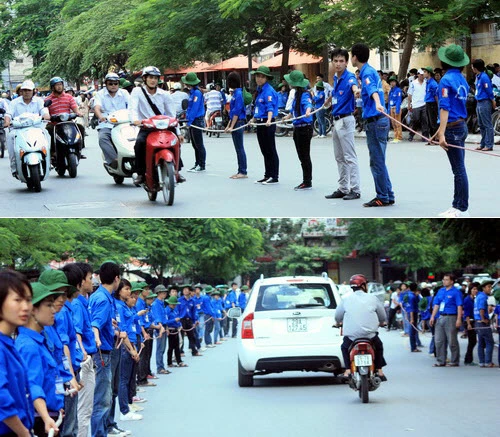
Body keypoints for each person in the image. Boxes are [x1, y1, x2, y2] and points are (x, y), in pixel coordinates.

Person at [16, 282, 65, 437]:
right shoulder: (28, 346)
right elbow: (32, 386)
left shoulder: (41, 340)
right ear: (32, 310)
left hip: (51, 416)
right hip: (42, 422)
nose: (53, 310)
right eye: (48, 305)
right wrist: (45, 416)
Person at [351, 43, 394, 207]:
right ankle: (388, 194)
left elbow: (373, 92)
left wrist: (377, 103)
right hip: (379, 120)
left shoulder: (366, 73)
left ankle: (382, 196)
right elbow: (369, 90)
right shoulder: (369, 71)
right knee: (380, 160)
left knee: (376, 161)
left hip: (375, 120)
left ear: (355, 57)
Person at [129, 66, 182, 184]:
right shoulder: (137, 92)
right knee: (139, 143)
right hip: (146, 127)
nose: (153, 80)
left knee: (175, 142)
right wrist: (135, 120)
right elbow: (133, 108)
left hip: (164, 127)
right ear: (144, 79)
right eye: (150, 77)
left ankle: (177, 170)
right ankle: (141, 173)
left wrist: (178, 132)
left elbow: (171, 114)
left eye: (155, 78)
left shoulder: (165, 94)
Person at [435, 44, 470, 218]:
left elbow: (445, 107)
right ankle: (458, 205)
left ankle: (460, 208)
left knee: (458, 170)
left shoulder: (445, 80)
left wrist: (441, 133)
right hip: (461, 125)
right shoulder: (462, 79)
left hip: (452, 128)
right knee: (459, 168)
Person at [0, 270, 34, 437]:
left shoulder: (9, 343)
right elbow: (1, 398)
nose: (25, 307)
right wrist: (24, 433)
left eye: (28, 300)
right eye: (18, 300)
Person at [88, 262, 121, 437]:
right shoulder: (103, 299)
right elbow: (95, 324)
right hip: (102, 353)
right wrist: (97, 336)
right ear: (117, 279)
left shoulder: (97, 295)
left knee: (101, 398)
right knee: (102, 400)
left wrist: (110, 325)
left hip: (103, 350)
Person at [334, 274, 387, 380]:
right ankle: (380, 371)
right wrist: (382, 322)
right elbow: (383, 316)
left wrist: (338, 323)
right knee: (379, 346)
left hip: (351, 337)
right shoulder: (373, 298)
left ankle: (348, 370)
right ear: (363, 285)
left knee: (344, 347)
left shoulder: (345, 299)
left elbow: (338, 316)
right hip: (370, 336)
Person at [325, 48, 361, 201]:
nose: (338, 64)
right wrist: (327, 102)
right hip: (336, 120)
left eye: (341, 61)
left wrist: (356, 91)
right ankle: (343, 188)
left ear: (346, 63)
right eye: (335, 61)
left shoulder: (349, 77)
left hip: (346, 120)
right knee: (339, 157)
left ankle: (355, 189)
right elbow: (335, 95)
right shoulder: (336, 77)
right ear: (332, 62)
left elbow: (354, 86)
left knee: (349, 157)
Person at [71, 262, 97, 437]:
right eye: (89, 278)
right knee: (83, 410)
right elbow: (77, 333)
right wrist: (84, 355)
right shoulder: (77, 305)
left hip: (84, 359)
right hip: (83, 361)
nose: (92, 281)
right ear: (81, 282)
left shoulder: (83, 303)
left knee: (84, 409)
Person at [4, 80, 50, 177]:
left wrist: (46, 115)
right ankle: (14, 167)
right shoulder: (14, 102)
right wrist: (7, 121)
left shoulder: (39, 101)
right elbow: (8, 114)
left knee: (47, 134)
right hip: (18, 129)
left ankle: (48, 161)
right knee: (10, 137)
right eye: (24, 90)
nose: (26, 92)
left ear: (33, 91)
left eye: (29, 90)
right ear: (21, 91)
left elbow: (44, 110)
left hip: (36, 128)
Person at [282, 70, 314, 190]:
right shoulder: (296, 94)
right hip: (297, 128)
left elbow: (308, 105)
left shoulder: (305, 95)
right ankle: (306, 180)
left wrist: (307, 111)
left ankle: (307, 181)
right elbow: (294, 110)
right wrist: (287, 117)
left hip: (304, 128)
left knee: (305, 155)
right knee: (301, 155)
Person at [249, 65, 279, 184]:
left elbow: (270, 108)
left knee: (271, 150)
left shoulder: (269, 91)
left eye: (262, 77)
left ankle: (274, 175)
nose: (259, 79)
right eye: (257, 76)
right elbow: (258, 108)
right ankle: (267, 175)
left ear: (266, 78)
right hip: (260, 123)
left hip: (268, 123)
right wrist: (253, 119)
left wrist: (269, 120)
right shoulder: (259, 90)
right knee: (264, 150)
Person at [94, 72, 130, 169]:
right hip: (107, 123)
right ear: (106, 84)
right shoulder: (100, 94)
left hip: (124, 123)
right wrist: (100, 116)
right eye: (110, 83)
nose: (113, 86)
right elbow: (97, 107)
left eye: (116, 83)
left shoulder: (124, 93)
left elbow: (132, 106)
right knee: (102, 138)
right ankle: (114, 160)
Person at [429, 273, 463, 367]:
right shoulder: (441, 291)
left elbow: (459, 306)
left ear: (452, 281)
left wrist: (459, 319)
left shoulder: (456, 292)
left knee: (452, 340)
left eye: (447, 279)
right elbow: (436, 304)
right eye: (444, 279)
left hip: (451, 316)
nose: (444, 281)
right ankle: (441, 360)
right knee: (439, 340)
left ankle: (454, 360)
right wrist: (432, 316)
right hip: (440, 316)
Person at [44, 77, 85, 150]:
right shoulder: (47, 99)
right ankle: (53, 152)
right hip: (54, 123)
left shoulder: (69, 97)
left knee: (80, 128)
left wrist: (79, 113)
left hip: (68, 122)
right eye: (57, 85)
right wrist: (47, 117)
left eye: (60, 84)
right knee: (48, 131)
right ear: (52, 87)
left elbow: (75, 108)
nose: (59, 87)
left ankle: (78, 149)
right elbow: (45, 112)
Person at [181, 72, 206, 172]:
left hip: (196, 120)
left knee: (199, 144)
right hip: (192, 120)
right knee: (194, 144)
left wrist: (189, 122)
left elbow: (194, 109)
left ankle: (201, 164)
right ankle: (197, 163)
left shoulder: (197, 93)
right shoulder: (192, 93)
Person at [225, 71, 248, 179]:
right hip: (235, 122)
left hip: (238, 123)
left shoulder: (238, 94)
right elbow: (232, 112)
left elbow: (237, 112)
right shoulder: (235, 94)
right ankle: (240, 170)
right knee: (238, 148)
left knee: (239, 148)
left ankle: (242, 171)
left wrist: (232, 126)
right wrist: (228, 125)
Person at [472, 59, 496, 151]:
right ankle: (483, 143)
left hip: (485, 102)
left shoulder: (484, 77)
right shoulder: (478, 76)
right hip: (479, 102)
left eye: (473, 66)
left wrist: (493, 100)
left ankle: (489, 144)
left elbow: (489, 90)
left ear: (476, 67)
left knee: (487, 124)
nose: (472, 68)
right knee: (481, 124)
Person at [474, 280, 496, 367]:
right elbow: (481, 309)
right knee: (490, 342)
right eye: (488, 287)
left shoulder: (478, 296)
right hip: (482, 323)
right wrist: (483, 319)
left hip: (477, 323)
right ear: (483, 288)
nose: (490, 289)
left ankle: (482, 361)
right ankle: (488, 361)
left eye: (491, 287)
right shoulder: (483, 297)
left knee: (481, 343)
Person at [178, 284, 201, 356]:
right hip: (181, 320)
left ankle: (194, 351)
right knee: (181, 336)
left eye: (186, 289)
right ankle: (181, 351)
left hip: (189, 320)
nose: (185, 291)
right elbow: (177, 311)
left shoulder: (192, 301)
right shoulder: (179, 300)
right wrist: (178, 322)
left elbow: (194, 312)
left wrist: (195, 321)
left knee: (192, 336)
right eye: (183, 289)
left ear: (190, 291)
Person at [150, 285, 169, 374]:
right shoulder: (156, 304)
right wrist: (161, 328)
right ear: (158, 293)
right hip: (159, 327)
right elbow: (157, 317)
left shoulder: (162, 303)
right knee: (160, 348)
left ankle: (162, 366)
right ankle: (159, 367)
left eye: (165, 292)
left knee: (163, 347)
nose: (165, 294)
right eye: (163, 292)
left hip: (164, 326)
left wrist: (166, 327)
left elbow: (164, 316)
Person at [165, 296, 187, 368]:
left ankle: (179, 361)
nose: (174, 306)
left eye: (175, 304)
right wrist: (174, 320)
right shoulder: (167, 311)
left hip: (176, 329)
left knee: (177, 346)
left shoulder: (175, 310)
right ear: (169, 304)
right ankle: (169, 362)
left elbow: (178, 318)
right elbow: (166, 322)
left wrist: (180, 325)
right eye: (173, 304)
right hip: (171, 330)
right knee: (171, 347)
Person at [407, 69, 429, 141]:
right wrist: (409, 104)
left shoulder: (426, 82)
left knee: (424, 120)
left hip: (424, 104)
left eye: (423, 75)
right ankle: (411, 134)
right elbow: (410, 94)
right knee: (415, 120)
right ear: (418, 74)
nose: (422, 76)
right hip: (416, 104)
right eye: (421, 75)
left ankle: (425, 136)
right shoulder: (413, 83)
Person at [463, 282, 478, 366]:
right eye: (474, 289)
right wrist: (468, 324)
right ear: (470, 290)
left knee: (472, 341)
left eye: (476, 289)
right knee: (472, 341)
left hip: (473, 321)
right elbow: (467, 313)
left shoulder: (473, 299)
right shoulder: (468, 300)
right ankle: (468, 359)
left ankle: (468, 359)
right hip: (469, 322)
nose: (475, 291)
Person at [423, 67, 439, 140]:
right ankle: (432, 138)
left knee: (433, 122)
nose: (423, 73)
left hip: (433, 104)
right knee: (429, 122)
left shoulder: (433, 83)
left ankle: (436, 138)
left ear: (429, 73)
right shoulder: (427, 82)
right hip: (428, 103)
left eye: (425, 72)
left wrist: (438, 105)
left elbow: (436, 96)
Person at [387, 76, 403, 143]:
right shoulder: (391, 91)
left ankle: (399, 137)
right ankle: (395, 136)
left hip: (396, 108)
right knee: (393, 123)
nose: (392, 83)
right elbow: (389, 100)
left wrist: (397, 109)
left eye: (393, 82)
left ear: (396, 82)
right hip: (391, 107)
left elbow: (399, 100)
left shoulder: (398, 90)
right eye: (391, 82)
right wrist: (388, 110)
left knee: (397, 123)